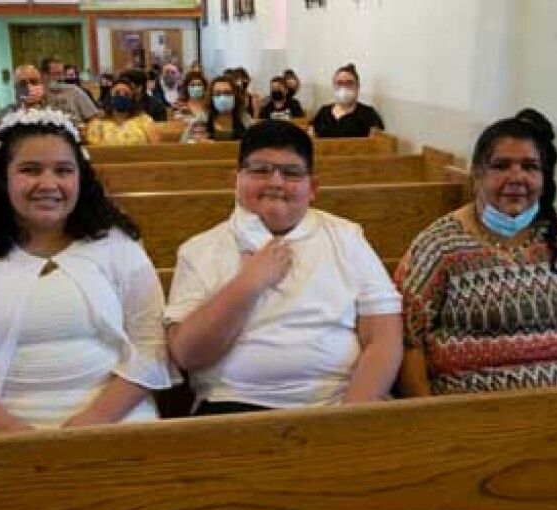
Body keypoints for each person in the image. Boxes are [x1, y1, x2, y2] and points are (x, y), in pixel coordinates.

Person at [0, 108, 178, 436]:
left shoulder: (116, 243)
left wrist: (95, 420)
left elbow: (149, 345)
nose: (48, 184)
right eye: (30, 170)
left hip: (110, 412)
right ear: (3, 177)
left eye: (63, 170)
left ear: (81, 177)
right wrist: (11, 432)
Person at [165, 120, 403, 414]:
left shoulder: (346, 237)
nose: (275, 182)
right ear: (236, 179)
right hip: (233, 406)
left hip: (338, 402)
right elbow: (187, 354)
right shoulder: (200, 250)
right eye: (260, 170)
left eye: (291, 173)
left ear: (312, 187)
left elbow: (384, 338)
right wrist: (248, 285)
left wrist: (349, 419)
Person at [396, 109, 557, 396]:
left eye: (529, 166)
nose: (517, 177)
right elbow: (409, 339)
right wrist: (431, 424)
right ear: (477, 173)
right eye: (501, 166)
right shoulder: (440, 244)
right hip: (482, 423)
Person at [309, 64, 383, 138]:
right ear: (334, 86)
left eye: (349, 83)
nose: (344, 87)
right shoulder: (323, 112)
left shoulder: (369, 114)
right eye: (339, 83)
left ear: (357, 86)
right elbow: (311, 139)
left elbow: (376, 143)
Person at [86, 78, 160, 145]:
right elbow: (93, 151)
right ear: (110, 97)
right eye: (117, 93)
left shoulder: (145, 120)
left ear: (132, 99)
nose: (121, 96)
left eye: (126, 94)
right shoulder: (98, 123)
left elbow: (155, 148)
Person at [39, 56, 101, 124]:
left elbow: (94, 117)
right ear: (44, 75)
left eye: (62, 73)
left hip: (74, 131)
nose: (61, 78)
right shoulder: (37, 95)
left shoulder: (74, 91)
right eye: (56, 74)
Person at [206, 75, 247, 141]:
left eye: (227, 93)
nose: (222, 98)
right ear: (211, 97)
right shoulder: (202, 119)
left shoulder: (245, 119)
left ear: (235, 95)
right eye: (217, 94)